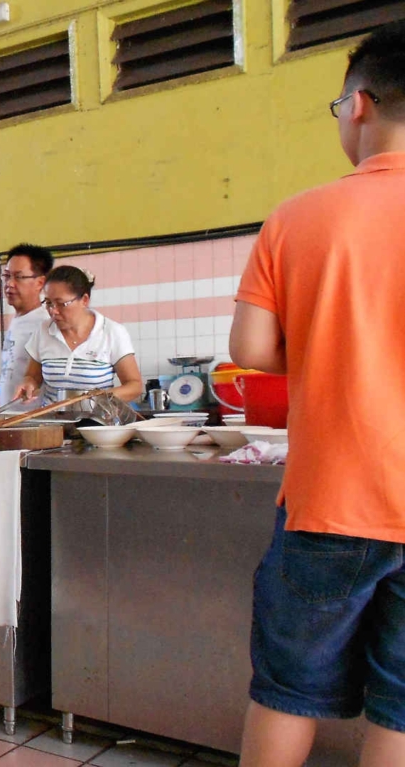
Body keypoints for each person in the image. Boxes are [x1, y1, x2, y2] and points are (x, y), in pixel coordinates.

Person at [230, 23, 405, 767]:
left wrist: (333, 337)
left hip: (330, 502)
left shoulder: (298, 215)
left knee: (287, 688)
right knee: (399, 705)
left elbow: (251, 352)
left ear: (359, 103)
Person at [15, 265, 142, 404]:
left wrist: (97, 398)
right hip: (53, 421)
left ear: (84, 300)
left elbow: (134, 386)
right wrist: (29, 384)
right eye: (49, 303)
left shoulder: (112, 332)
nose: (53, 311)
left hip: (96, 422)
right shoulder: (44, 330)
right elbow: (33, 377)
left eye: (61, 303)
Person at [0, 243, 53, 410]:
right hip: (9, 421)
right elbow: (11, 378)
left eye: (19, 277)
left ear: (40, 282)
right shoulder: (18, 320)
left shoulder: (44, 324)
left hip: (32, 424)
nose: (9, 284)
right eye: (6, 276)